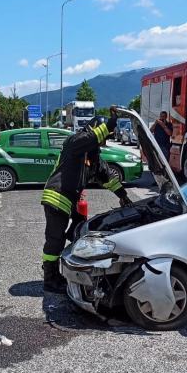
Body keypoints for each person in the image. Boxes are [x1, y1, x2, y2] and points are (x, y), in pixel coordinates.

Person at [40, 107, 133, 294]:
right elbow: (89, 138)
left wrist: (123, 196)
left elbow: (106, 177)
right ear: (95, 131)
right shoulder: (74, 143)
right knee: (55, 240)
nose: (103, 141)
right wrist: (109, 125)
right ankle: (49, 278)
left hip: (69, 200)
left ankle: (71, 266)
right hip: (56, 197)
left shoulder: (91, 155)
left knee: (82, 228)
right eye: (103, 136)